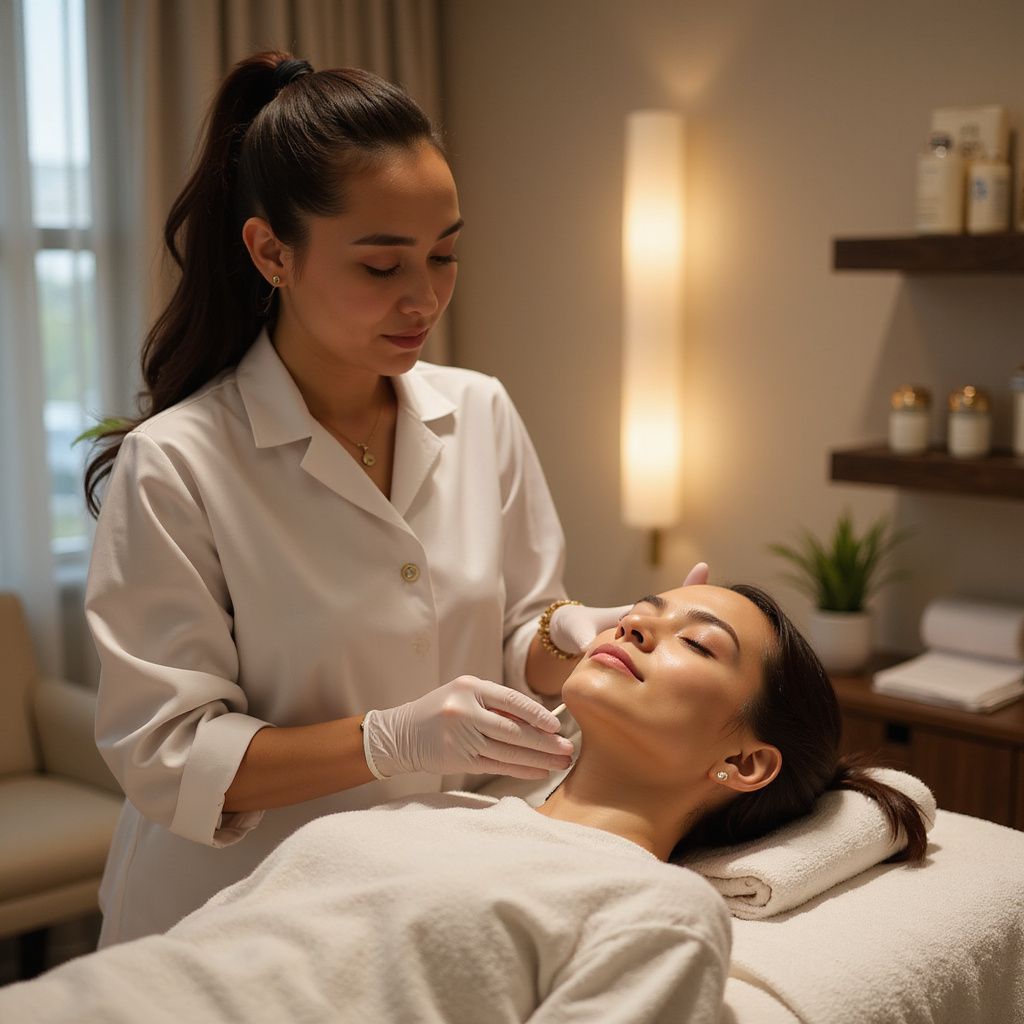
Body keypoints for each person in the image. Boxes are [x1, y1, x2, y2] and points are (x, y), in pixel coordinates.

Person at [81, 49, 709, 945]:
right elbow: (168, 753)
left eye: (445, 254)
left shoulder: (480, 410)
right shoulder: (179, 464)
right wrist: (387, 740)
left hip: (430, 900)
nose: (425, 297)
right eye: (382, 267)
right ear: (271, 252)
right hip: (233, 918)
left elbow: (518, 627)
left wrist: (584, 640)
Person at [0, 583, 928, 1023]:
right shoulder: (423, 814)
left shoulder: (657, 909)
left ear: (746, 763)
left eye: (700, 642)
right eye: (645, 606)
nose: (637, 622)